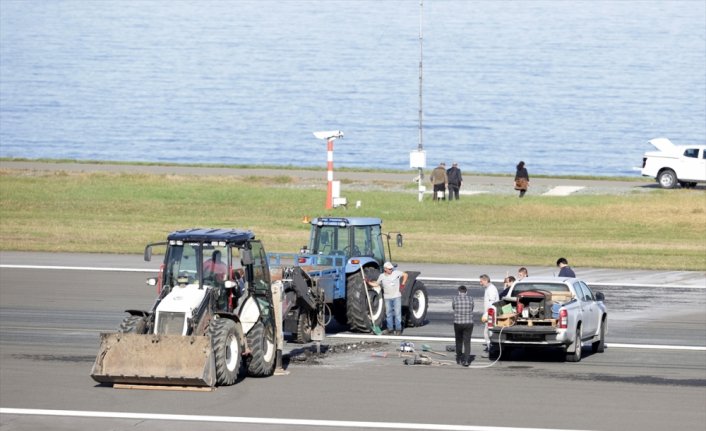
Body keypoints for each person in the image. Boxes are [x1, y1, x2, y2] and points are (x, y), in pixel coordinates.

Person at [368, 262, 408, 335]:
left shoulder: (396, 273)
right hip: (387, 298)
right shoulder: (381, 276)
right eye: (389, 269)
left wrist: (403, 284)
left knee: (397, 313)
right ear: (385, 269)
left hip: (396, 297)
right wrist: (369, 283)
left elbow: (405, 275)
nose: (391, 270)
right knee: (388, 314)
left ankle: (398, 329)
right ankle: (390, 329)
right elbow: (377, 284)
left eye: (391, 268)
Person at [452, 285, 474, 366]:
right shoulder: (471, 299)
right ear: (466, 292)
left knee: (458, 341)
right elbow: (472, 308)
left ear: (458, 292)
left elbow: (453, 308)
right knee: (467, 342)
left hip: (458, 323)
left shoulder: (455, 299)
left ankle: (458, 359)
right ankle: (466, 360)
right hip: (468, 323)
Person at [479, 274, 499, 357]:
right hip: (490, 314)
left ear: (486, 280)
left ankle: (491, 350)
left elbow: (491, 304)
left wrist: (486, 315)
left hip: (491, 315)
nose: (480, 283)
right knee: (486, 333)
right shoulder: (489, 288)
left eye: (481, 281)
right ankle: (490, 348)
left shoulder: (491, 289)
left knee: (488, 333)